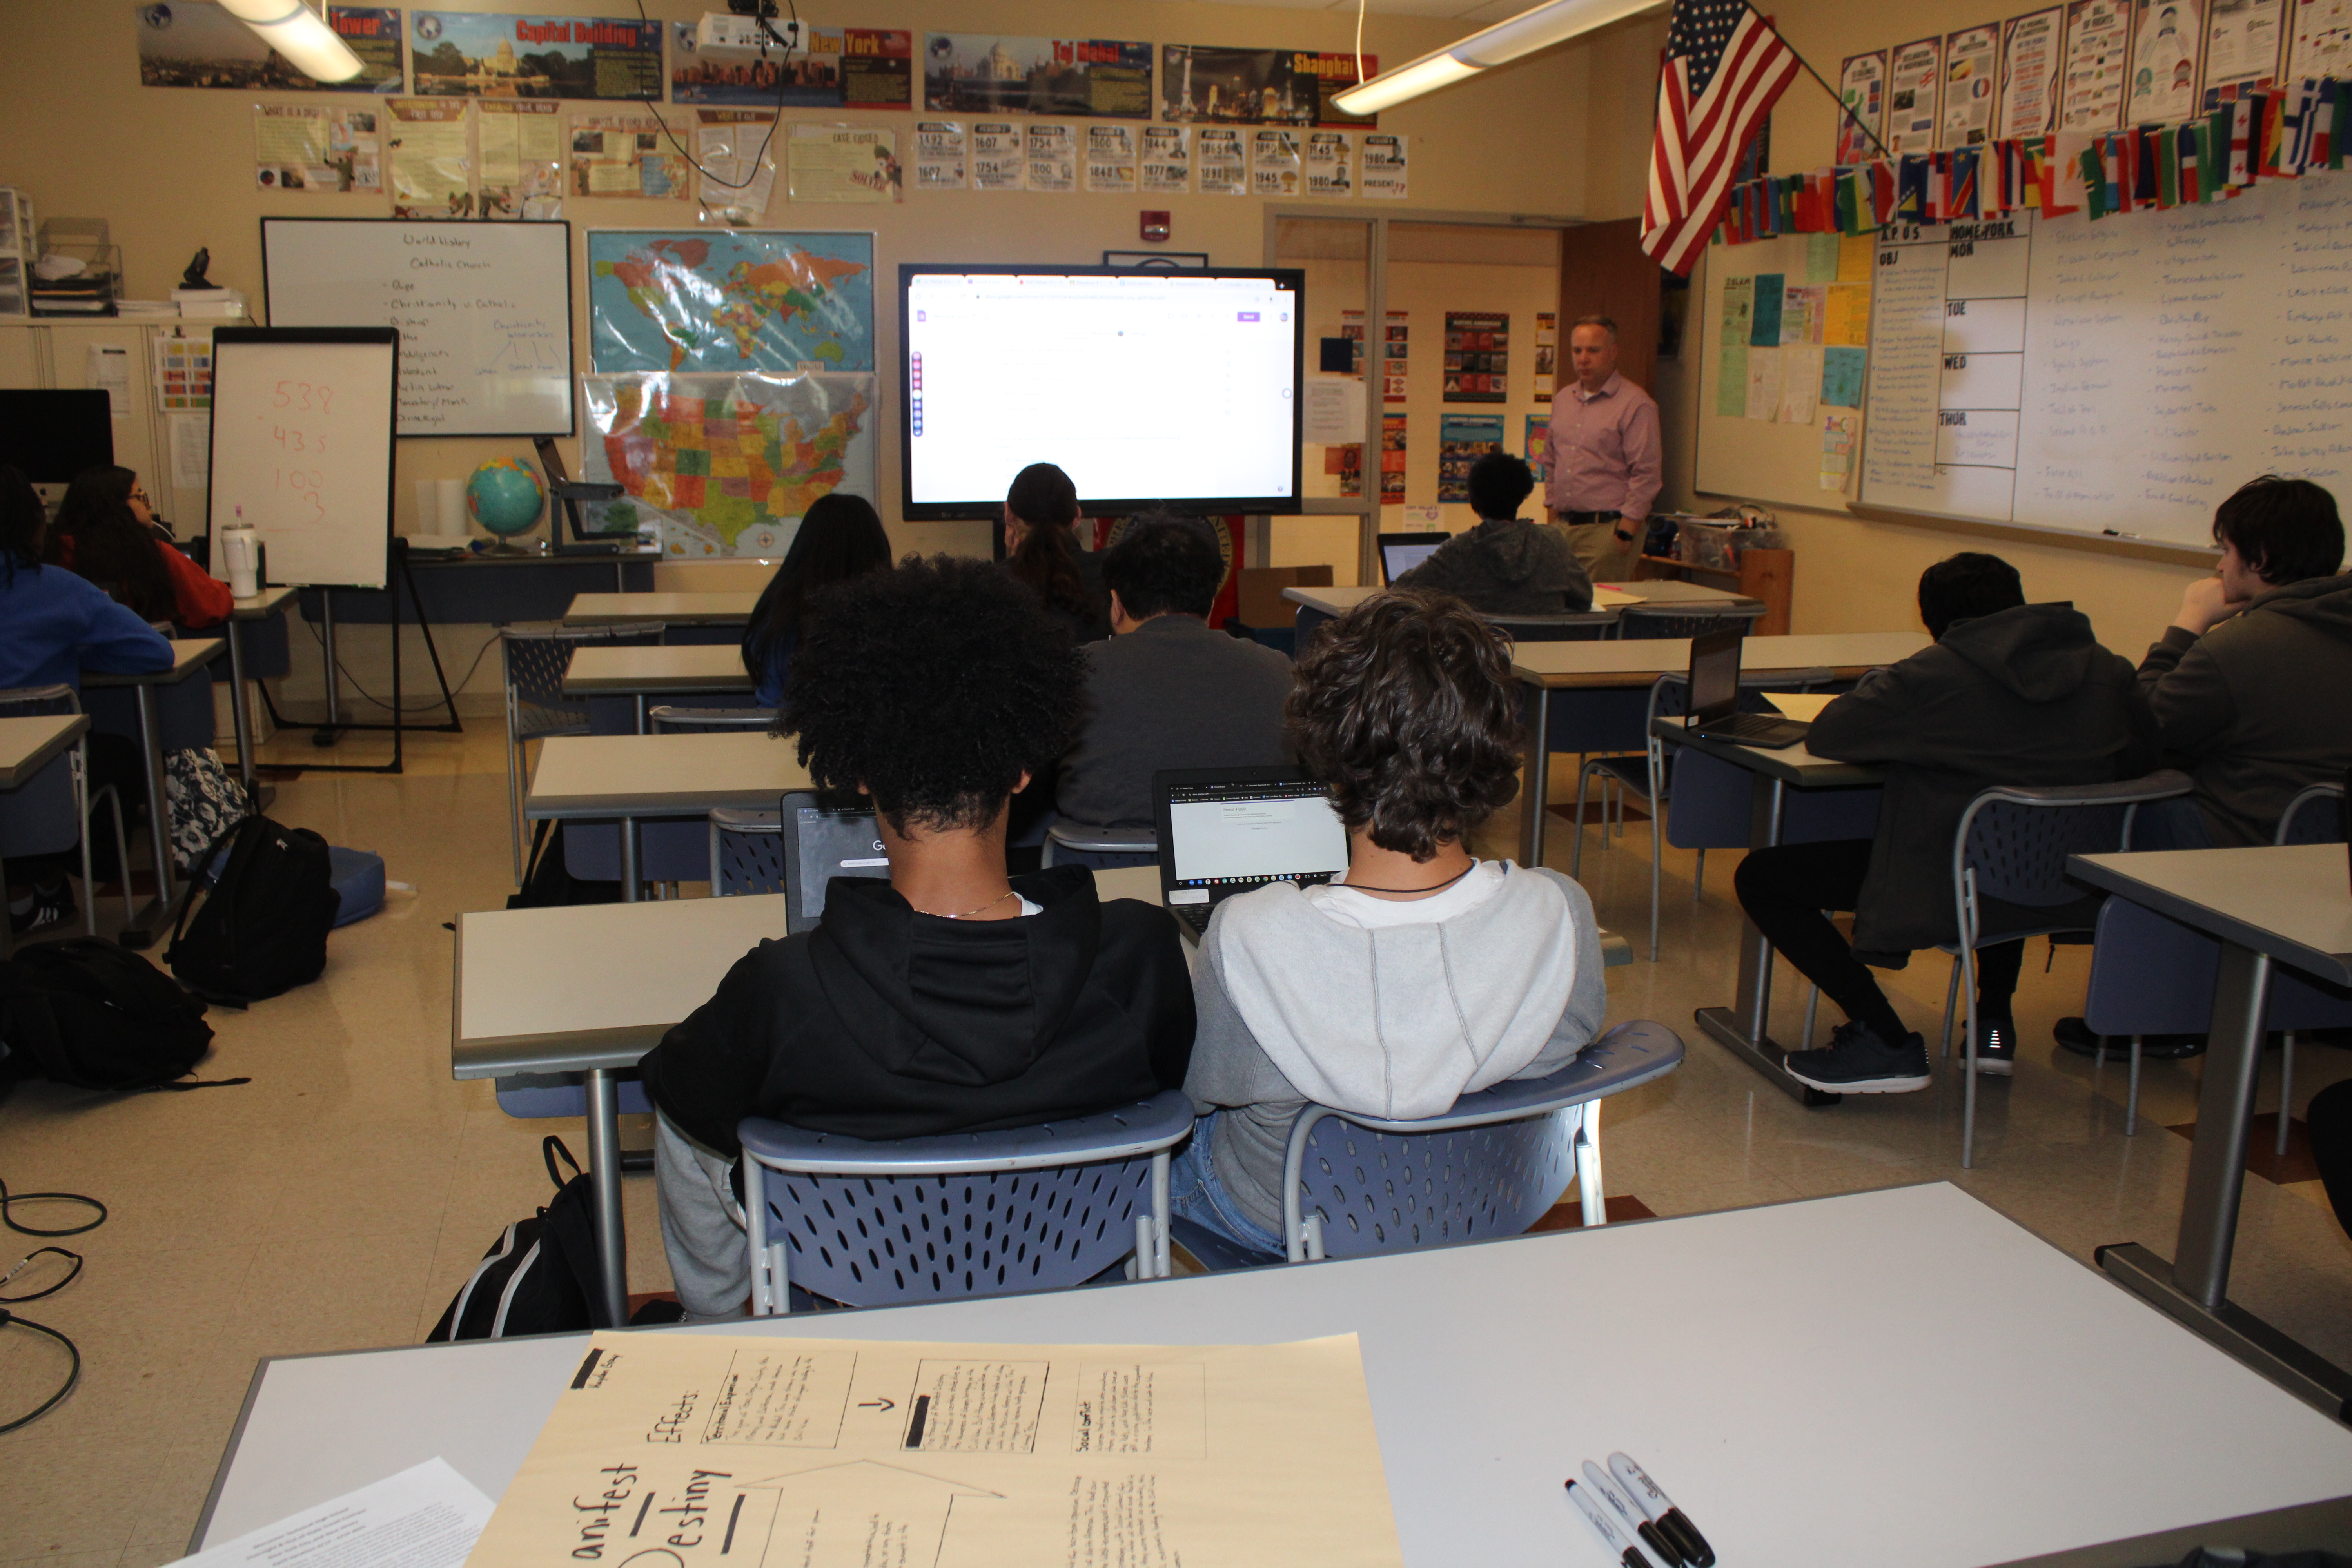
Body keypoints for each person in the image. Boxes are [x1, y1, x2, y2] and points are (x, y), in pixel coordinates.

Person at [639, 555, 1196, 1318]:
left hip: (853, 1343)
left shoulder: (782, 993)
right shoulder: (1138, 959)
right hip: (1081, 1328)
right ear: (1024, 769)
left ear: (859, 772)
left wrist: (714, 1307)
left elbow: (684, 1122)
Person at [1171, 590, 1607, 1257]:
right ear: (1492, 751)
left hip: (1285, 1212)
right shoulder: (1561, 914)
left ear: (1327, 754)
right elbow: (1554, 1054)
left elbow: (1205, 1095)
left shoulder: (1246, 935)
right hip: (1490, 1197)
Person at [1733, 553, 2154, 1091]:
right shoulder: (2109, 670)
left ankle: (1883, 1037)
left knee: (1763, 877)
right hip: (2071, 880)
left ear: (1938, 626)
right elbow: (2148, 756)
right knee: (2016, 835)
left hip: (1944, 883)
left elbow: (1831, 735)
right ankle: (1994, 1025)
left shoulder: (1933, 675)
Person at [2131, 475, 2351, 849]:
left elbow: (2142, 728)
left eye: (2226, 551)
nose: (2220, 566)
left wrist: (2189, 622)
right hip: (2330, 857)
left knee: (2132, 805)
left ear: (2260, 559)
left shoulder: (2240, 647)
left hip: (2244, 849)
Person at [0, 466, 174, 933]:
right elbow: (154, 651)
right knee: (116, 754)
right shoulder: (57, 588)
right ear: (30, 524)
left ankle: (23, 891)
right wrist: (79, 650)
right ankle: (48, 872)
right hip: (49, 778)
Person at [1053, 513, 1292, 832]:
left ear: (1116, 604)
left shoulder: (1076, 672)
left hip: (1105, 868)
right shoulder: (1278, 670)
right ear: (1210, 603)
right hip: (1243, 869)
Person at [738, 492, 892, 707]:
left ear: (804, 546)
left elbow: (773, 706)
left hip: (784, 737)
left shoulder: (778, 618)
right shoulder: (896, 619)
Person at [1395, 451, 1593, 614]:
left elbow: (1402, 590)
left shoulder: (1458, 551)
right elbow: (1584, 598)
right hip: (1547, 656)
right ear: (1523, 496)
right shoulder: (1552, 542)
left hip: (1480, 658)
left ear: (1474, 501)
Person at [1542, 315, 1662, 584]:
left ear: (1614, 352)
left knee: (1599, 615)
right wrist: (1552, 513)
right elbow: (1552, 461)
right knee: (1559, 613)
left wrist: (1627, 531)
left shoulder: (1636, 405)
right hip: (1563, 530)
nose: (1583, 359)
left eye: (1593, 350)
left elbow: (1647, 474)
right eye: (1577, 350)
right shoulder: (1564, 400)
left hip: (1607, 531)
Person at [45, 465, 231, 629]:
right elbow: (210, 605)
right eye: (140, 496)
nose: (149, 504)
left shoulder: (54, 553)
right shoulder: (148, 552)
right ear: (115, 504)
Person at [1000, 461, 1110, 642]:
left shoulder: (993, 586)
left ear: (1008, 514)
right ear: (1077, 516)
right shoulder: (1112, 575)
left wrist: (1015, 563)